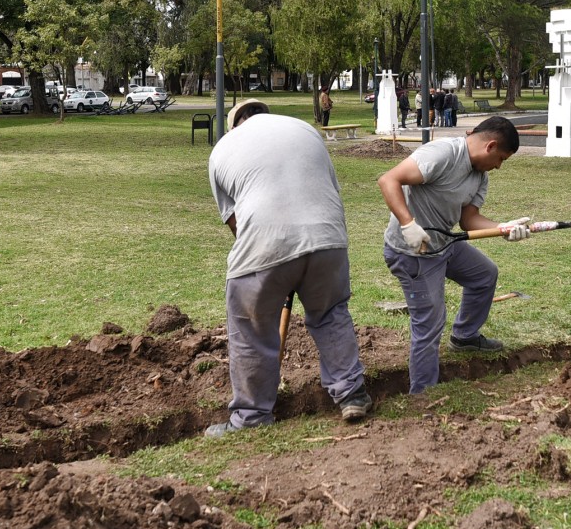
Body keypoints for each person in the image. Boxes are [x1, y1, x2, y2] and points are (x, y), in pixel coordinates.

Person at [205, 98, 371, 437]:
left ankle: (251, 418)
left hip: (266, 242)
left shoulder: (223, 148)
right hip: (328, 238)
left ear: (235, 124)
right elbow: (328, 190)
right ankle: (352, 394)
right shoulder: (306, 130)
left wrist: (275, 275)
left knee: (250, 327)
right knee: (330, 313)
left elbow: (236, 224)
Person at [377, 116, 532, 394]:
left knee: (484, 274)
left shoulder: (479, 176)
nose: (498, 166)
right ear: (490, 146)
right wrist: (408, 224)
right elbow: (389, 179)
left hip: (443, 244)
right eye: (501, 159)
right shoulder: (443, 154)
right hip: (413, 252)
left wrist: (503, 228)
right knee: (430, 320)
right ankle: (423, 393)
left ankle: (464, 336)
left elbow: (468, 220)